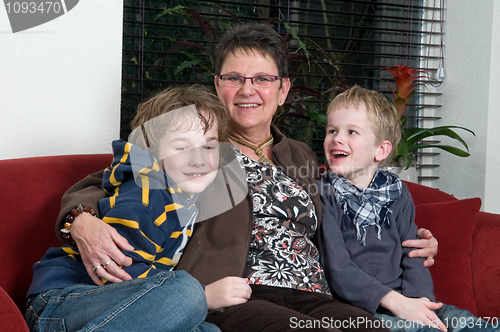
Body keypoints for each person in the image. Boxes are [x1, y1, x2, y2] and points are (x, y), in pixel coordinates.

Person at [52, 23, 438, 331]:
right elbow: (110, 179)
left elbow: (352, 213)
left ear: (283, 89)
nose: (247, 89)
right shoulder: (196, 146)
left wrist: (415, 242)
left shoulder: (300, 155)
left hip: (312, 293)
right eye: (234, 78)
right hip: (237, 294)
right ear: (218, 85)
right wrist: (80, 221)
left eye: (262, 79)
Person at [25, 85, 252, 332]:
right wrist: (204, 296)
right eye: (182, 147)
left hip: (112, 310)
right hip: (64, 302)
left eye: (208, 146)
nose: (198, 159)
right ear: (152, 153)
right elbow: (117, 270)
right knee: (186, 293)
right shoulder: (145, 195)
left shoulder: (186, 195)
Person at [317, 85, 495, 332]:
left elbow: (413, 254)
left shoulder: (397, 193)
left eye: (351, 132)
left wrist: (421, 303)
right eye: (332, 130)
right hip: (357, 308)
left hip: (405, 300)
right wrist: (398, 305)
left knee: (465, 322)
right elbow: (337, 268)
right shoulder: (323, 194)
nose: (337, 138)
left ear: (381, 150)